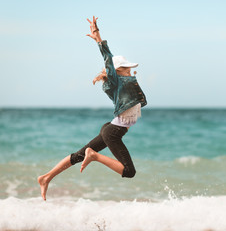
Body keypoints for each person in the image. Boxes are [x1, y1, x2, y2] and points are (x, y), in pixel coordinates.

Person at [37, 16, 147, 201]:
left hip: (110, 128)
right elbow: (108, 60)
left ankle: (46, 177)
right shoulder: (116, 81)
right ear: (117, 71)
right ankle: (94, 156)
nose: (129, 71)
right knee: (129, 171)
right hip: (113, 131)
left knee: (78, 156)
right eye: (126, 68)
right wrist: (98, 38)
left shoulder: (121, 83)